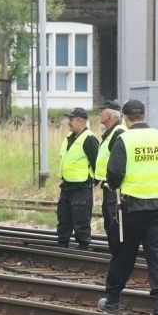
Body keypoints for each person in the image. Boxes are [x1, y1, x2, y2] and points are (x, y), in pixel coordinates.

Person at [97, 99, 158, 315]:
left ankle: (112, 301)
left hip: (131, 208)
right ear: (144, 115)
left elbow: (114, 174)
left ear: (125, 117)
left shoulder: (124, 139)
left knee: (124, 254)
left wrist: (113, 186)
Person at [56, 107, 99, 250]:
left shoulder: (89, 139)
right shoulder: (69, 138)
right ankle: (62, 244)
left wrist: (94, 181)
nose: (69, 122)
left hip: (82, 186)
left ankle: (83, 246)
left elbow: (96, 163)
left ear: (81, 121)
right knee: (64, 217)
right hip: (67, 185)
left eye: (71, 119)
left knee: (81, 218)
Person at [93, 100, 126, 260]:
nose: (99, 113)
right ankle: (117, 254)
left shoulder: (118, 132)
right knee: (110, 221)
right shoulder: (110, 133)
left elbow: (118, 161)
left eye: (102, 110)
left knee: (114, 223)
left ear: (109, 114)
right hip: (108, 186)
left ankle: (118, 256)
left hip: (115, 187)